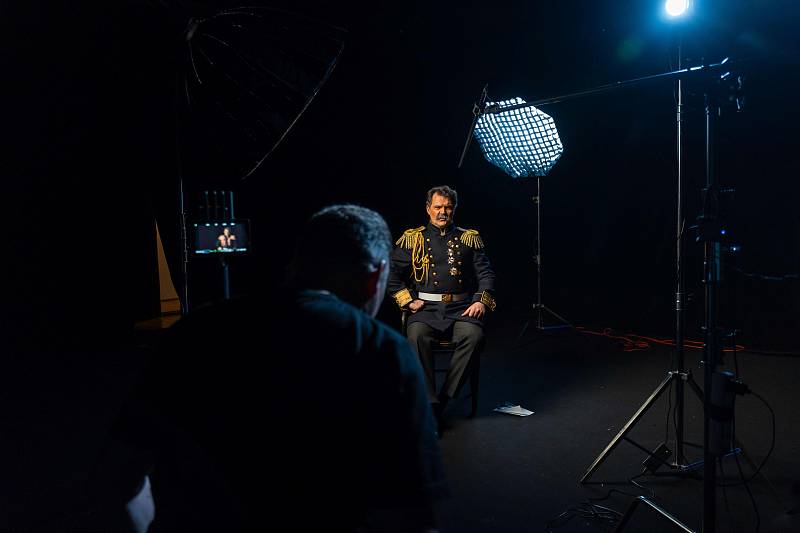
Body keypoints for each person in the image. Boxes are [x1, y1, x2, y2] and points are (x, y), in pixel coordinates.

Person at [114, 204, 446, 532]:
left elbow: (119, 477)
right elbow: (411, 516)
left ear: (296, 264)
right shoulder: (381, 350)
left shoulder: (189, 334)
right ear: (376, 277)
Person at [388, 185, 496, 429]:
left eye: (448, 207)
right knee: (416, 335)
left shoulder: (468, 238)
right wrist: (408, 299)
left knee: (474, 336)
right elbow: (392, 274)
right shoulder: (413, 239)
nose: (442, 212)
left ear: (454, 208)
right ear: (428, 208)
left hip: (461, 309)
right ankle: (429, 401)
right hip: (425, 310)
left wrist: (480, 300)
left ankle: (443, 399)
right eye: (438, 207)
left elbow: (486, 274)